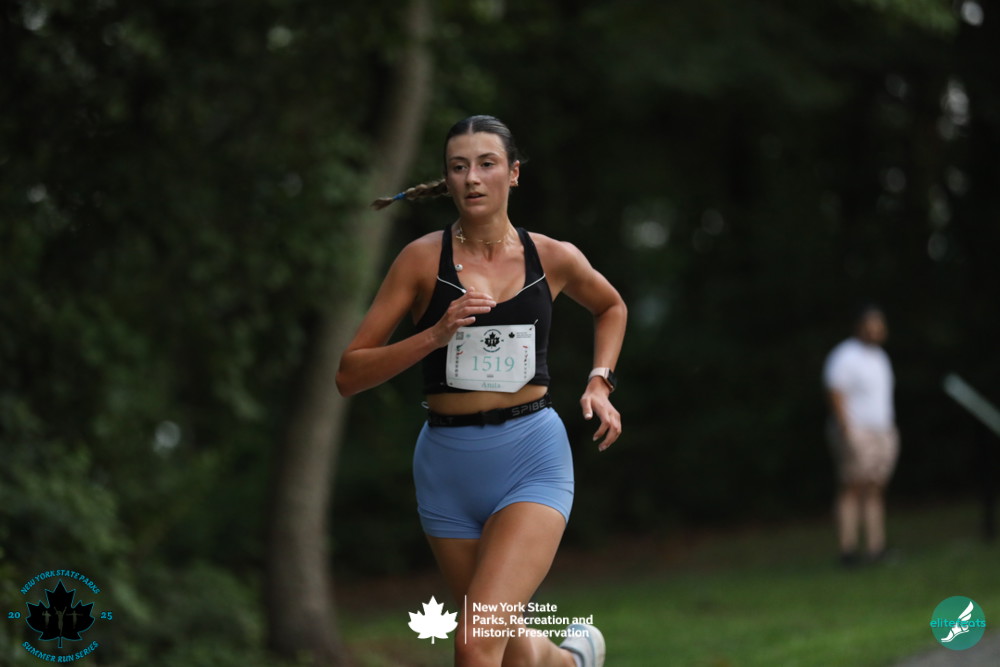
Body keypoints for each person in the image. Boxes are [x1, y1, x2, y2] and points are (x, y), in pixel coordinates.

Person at [336, 115, 626, 667]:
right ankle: (572, 661)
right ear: (446, 179)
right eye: (458, 166)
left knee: (474, 645)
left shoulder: (552, 256)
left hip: (531, 458)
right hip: (446, 469)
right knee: (507, 646)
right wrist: (435, 334)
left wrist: (600, 380)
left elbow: (611, 305)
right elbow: (349, 374)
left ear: (513, 173)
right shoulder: (421, 260)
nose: (472, 178)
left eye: (486, 164)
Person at [822, 305, 899, 567]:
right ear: (860, 327)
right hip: (856, 431)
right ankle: (848, 550)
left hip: (882, 431)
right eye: (871, 325)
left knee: (875, 488)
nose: (876, 330)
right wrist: (846, 430)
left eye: (880, 325)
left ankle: (876, 548)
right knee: (852, 486)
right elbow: (835, 391)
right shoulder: (845, 355)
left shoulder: (880, 357)